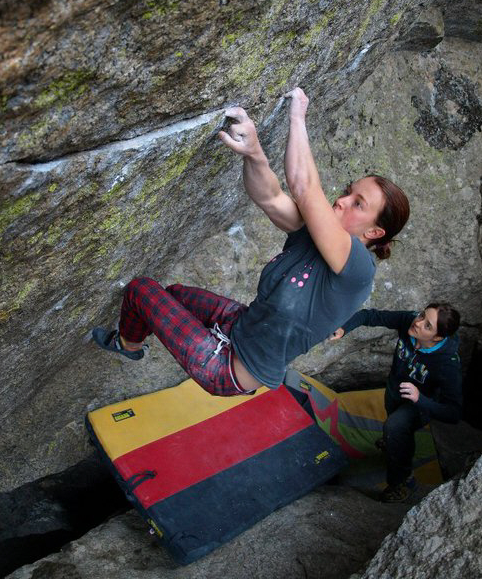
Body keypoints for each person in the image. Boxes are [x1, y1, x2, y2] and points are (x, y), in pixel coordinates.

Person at [93, 87, 410, 397]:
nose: (342, 201)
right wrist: (254, 154)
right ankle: (143, 327)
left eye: (358, 204)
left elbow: (303, 187)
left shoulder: (358, 269)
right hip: (239, 325)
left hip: (228, 368)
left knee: (140, 291)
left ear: (373, 233)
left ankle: (128, 345)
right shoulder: (313, 236)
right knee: (172, 295)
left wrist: (298, 115)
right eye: (347, 191)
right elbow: (270, 197)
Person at [331, 302, 462, 502]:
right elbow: (369, 315)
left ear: (437, 337)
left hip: (419, 404)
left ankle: (401, 482)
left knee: (396, 427)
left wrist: (420, 400)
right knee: (394, 424)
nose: (418, 323)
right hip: (395, 389)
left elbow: (453, 412)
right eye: (421, 316)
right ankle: (394, 442)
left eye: (427, 325)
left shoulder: (447, 364)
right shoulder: (409, 322)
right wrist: (343, 328)